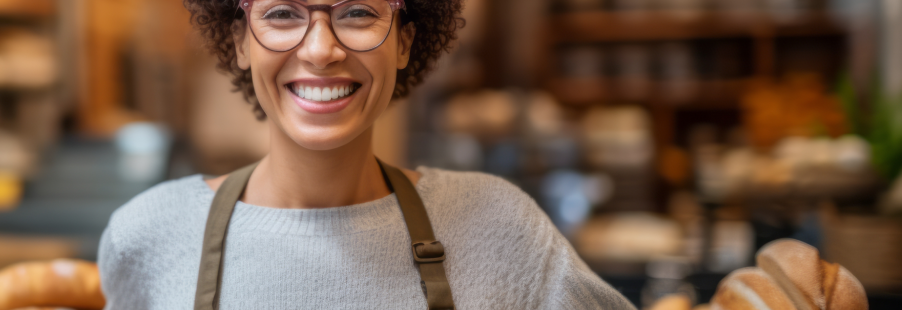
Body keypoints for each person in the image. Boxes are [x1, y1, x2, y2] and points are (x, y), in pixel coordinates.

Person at [98, 0, 635, 309]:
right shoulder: (149, 235)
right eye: (283, 13)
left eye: (357, 12)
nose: (320, 49)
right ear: (240, 40)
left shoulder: (499, 227)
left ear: (403, 42)